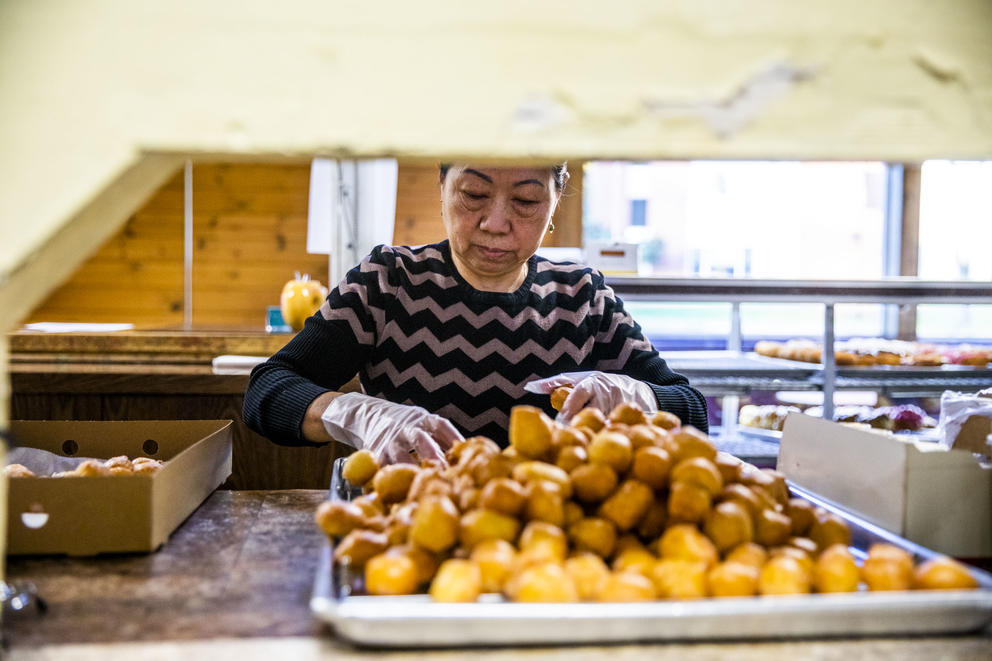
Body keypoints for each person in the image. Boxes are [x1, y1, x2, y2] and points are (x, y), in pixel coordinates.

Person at [243, 163, 708, 464]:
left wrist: (634, 395)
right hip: (411, 529)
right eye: (473, 195)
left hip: (549, 541)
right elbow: (268, 390)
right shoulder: (388, 281)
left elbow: (692, 410)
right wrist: (357, 413)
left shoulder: (582, 297)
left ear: (555, 201)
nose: (496, 223)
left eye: (526, 202)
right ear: (442, 187)